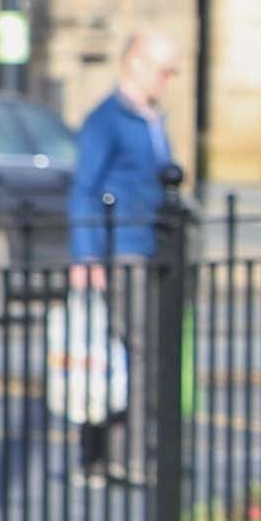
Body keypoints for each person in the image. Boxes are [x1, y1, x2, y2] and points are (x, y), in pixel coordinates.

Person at [66, 29, 182, 487]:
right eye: (163, 70)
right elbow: (84, 190)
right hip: (122, 250)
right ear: (133, 62)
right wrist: (87, 256)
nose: (169, 80)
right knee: (131, 354)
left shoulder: (152, 118)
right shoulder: (107, 120)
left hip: (150, 246)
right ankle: (123, 457)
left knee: (125, 356)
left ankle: (107, 454)